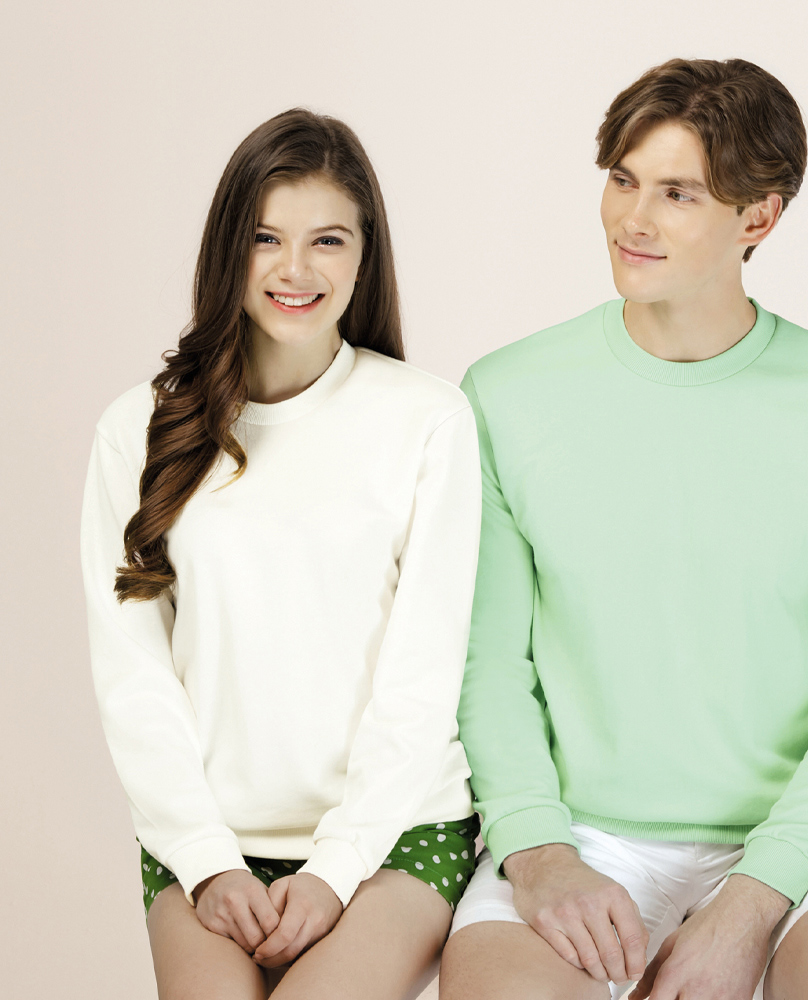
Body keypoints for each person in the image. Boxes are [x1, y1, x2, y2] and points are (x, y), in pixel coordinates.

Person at [440, 59, 808, 1000]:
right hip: (572, 834)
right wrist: (538, 853)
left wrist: (751, 903)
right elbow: (488, 663)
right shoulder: (504, 395)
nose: (633, 219)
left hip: (786, 848)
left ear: (759, 218)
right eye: (623, 180)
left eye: (678, 193)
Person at [81, 108, 482, 1000]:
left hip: (394, 834)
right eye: (266, 237)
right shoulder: (138, 428)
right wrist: (206, 859)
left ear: (364, 257)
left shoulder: (428, 421)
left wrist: (336, 868)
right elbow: (133, 678)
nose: (296, 269)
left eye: (327, 240)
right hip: (205, 837)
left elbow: (423, 677)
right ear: (229, 248)